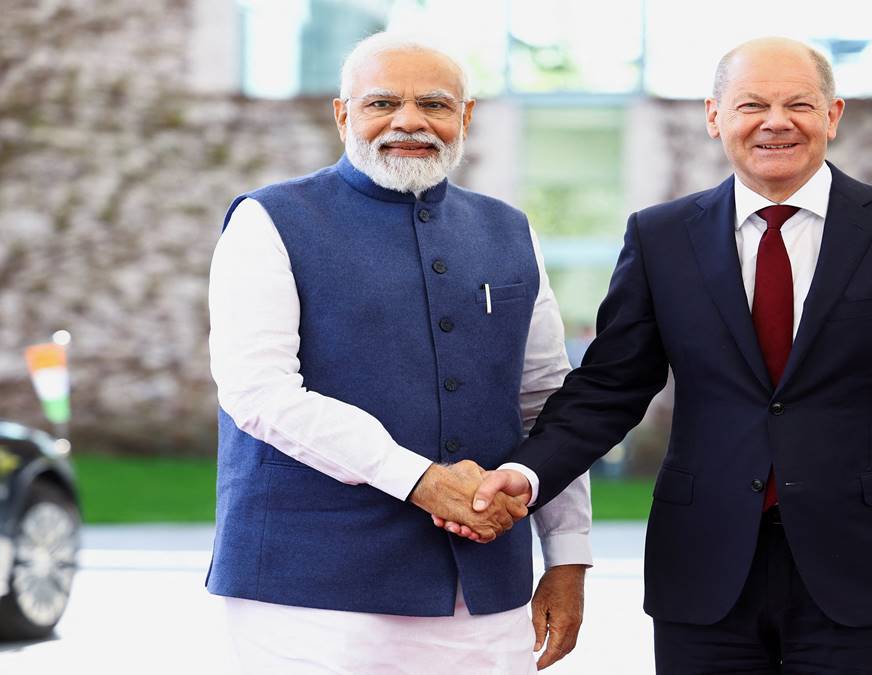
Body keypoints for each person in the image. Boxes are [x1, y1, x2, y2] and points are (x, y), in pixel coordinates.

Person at [459, 37, 872, 673]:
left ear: (832, 115)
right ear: (715, 116)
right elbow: (609, 387)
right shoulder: (661, 236)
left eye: (799, 104)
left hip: (863, 564)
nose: (775, 122)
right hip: (704, 564)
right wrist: (528, 475)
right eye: (752, 104)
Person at [206, 33, 592, 674]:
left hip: (488, 595)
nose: (410, 120)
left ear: (465, 118)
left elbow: (548, 401)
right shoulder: (268, 220)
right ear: (342, 114)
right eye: (383, 101)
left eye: (435, 104)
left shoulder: (510, 229)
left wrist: (568, 558)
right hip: (309, 594)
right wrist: (419, 481)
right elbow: (258, 392)